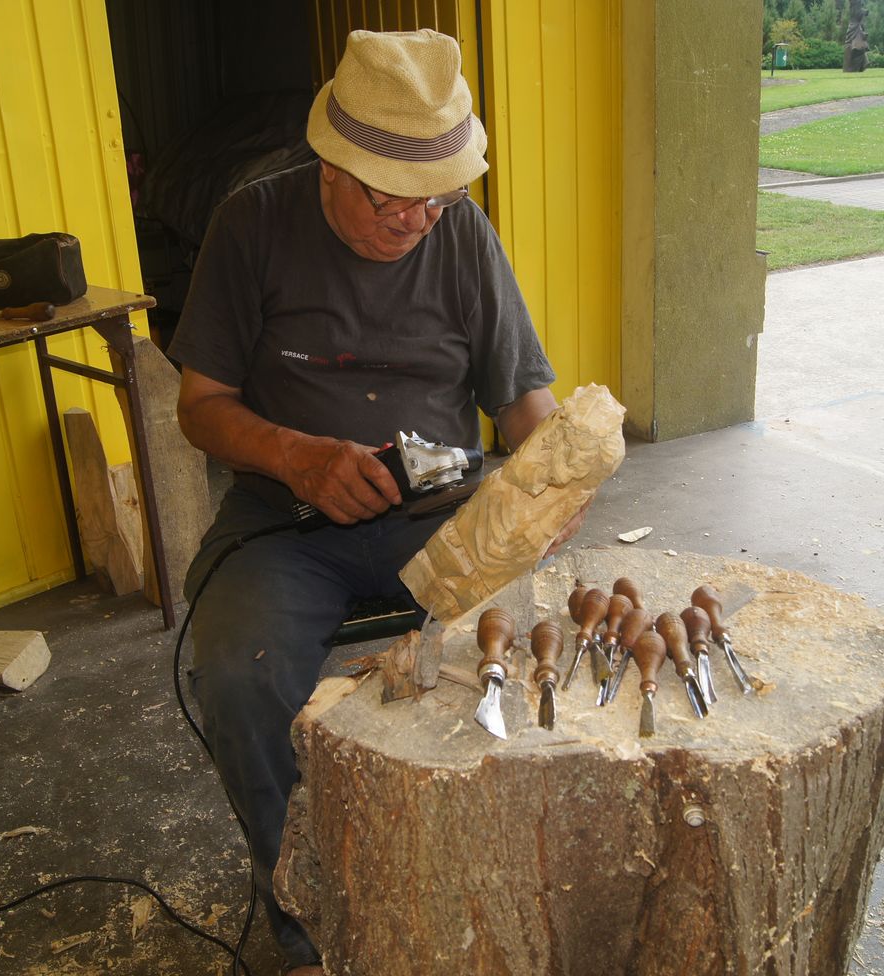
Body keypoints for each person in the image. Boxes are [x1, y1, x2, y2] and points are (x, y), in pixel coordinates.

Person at [167, 28, 584, 975]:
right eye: (389, 200)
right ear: (331, 163)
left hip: (442, 505)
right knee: (240, 674)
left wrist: (559, 472)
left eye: (435, 203)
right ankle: (305, 918)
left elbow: (521, 401)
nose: (413, 224)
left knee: (531, 652)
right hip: (289, 522)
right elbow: (201, 408)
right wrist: (297, 456)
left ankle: (491, 875)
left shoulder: (463, 234)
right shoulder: (252, 224)